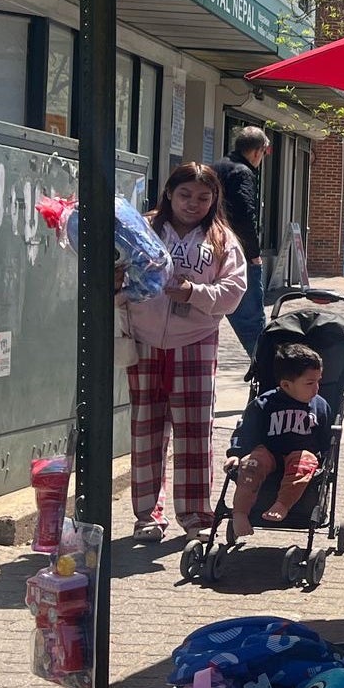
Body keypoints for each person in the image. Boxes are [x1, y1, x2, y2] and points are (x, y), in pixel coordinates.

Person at [122, 162, 247, 541]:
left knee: (194, 431)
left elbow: (233, 292)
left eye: (203, 197)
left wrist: (195, 293)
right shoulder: (140, 228)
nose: (193, 204)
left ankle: (194, 513)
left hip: (195, 341)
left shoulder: (222, 240)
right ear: (169, 194)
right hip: (143, 339)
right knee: (146, 428)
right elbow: (112, 271)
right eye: (185, 195)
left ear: (214, 200)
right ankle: (147, 514)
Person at [225, 342, 331, 542]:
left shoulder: (320, 406)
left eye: (319, 381)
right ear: (286, 385)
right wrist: (236, 454)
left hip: (301, 454)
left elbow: (325, 438)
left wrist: (325, 458)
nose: (316, 388)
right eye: (310, 383)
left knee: (305, 461)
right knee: (251, 464)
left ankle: (282, 504)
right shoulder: (264, 404)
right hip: (268, 452)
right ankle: (239, 513)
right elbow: (245, 430)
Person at [212, 127, 270, 355]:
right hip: (236, 254)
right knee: (253, 324)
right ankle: (264, 370)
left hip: (209, 250)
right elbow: (245, 215)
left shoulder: (215, 168)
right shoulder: (242, 172)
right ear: (257, 152)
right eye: (264, 153)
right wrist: (253, 254)